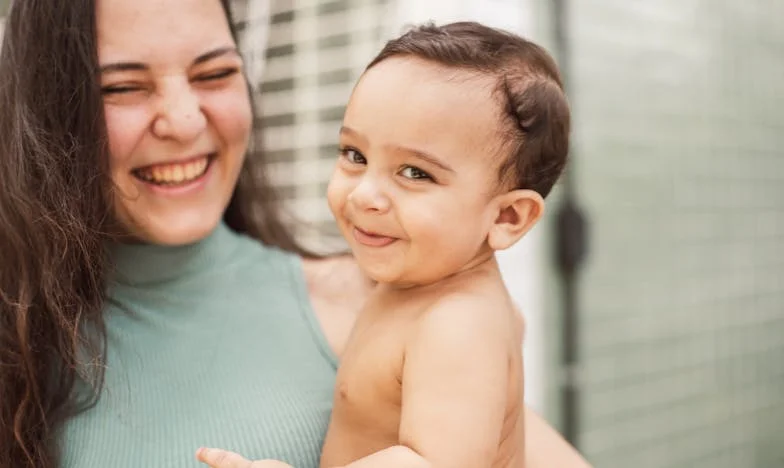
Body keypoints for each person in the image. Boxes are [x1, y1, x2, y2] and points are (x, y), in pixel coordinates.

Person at [0, 1, 591, 468]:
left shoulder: (416, 303)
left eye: (215, 73)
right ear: (47, 108)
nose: (183, 121)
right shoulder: (19, 336)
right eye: (122, 86)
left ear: (509, 216)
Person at [196, 21, 569, 468]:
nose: (363, 195)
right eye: (355, 155)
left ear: (507, 217)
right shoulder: (417, 286)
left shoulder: (457, 322)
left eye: (415, 173)